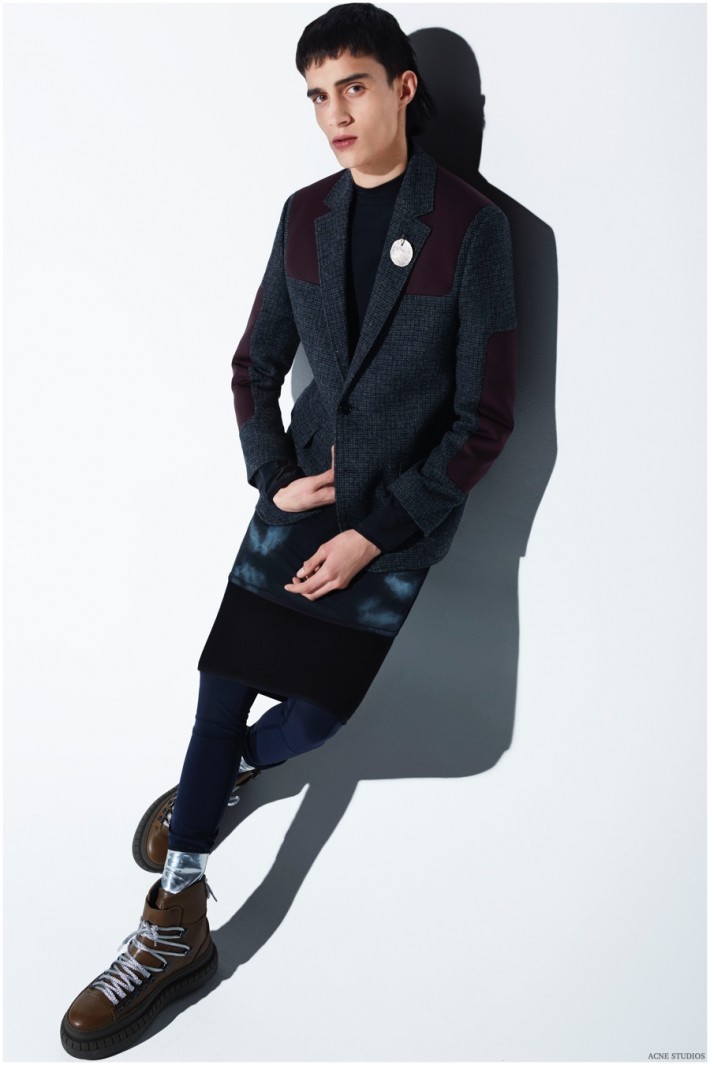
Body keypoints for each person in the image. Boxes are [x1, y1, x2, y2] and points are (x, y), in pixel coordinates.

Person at [60, 2, 518, 1058]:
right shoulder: (305, 213)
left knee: (314, 720)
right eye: (316, 96)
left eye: (353, 86)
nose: (334, 114)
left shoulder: (472, 228)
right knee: (220, 688)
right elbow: (253, 365)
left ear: (402, 87)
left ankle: (221, 779)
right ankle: (176, 919)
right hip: (296, 504)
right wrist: (273, 482)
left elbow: (482, 420)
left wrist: (372, 534)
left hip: (395, 524)